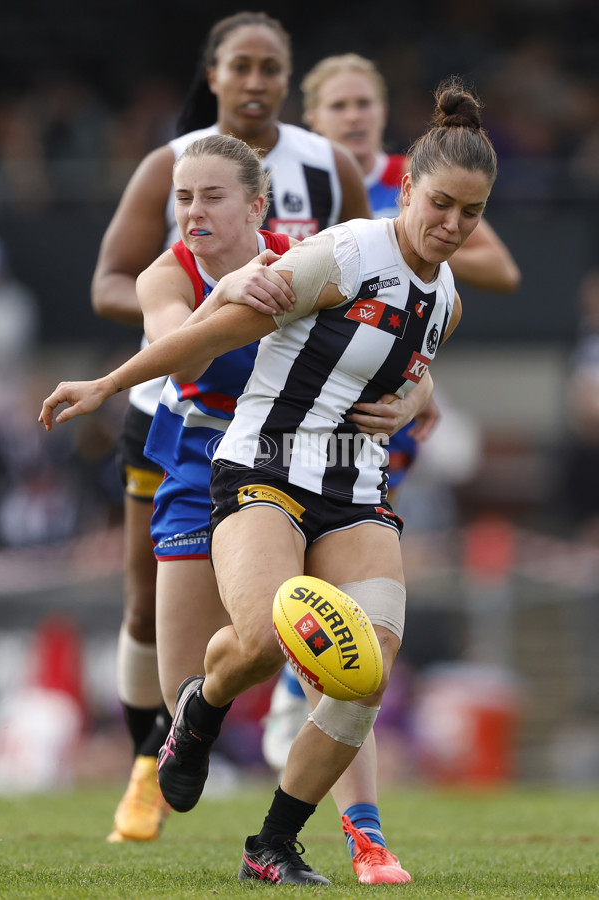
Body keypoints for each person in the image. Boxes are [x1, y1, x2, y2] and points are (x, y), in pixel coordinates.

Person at [41, 75, 498, 884]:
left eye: (472, 212)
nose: (454, 226)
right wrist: (107, 387)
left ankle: (274, 845)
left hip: (356, 492)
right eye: (441, 205)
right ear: (406, 188)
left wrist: (416, 398)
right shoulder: (346, 253)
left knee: (365, 668)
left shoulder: (448, 296)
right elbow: (214, 332)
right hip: (264, 470)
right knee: (259, 643)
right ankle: (198, 714)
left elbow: (407, 366)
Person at [90, 11, 371, 844]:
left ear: (288, 78)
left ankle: (345, 831)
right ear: (212, 75)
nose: (254, 82)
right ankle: (155, 757)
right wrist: (199, 311)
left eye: (269, 68)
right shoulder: (167, 182)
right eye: (238, 67)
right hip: (178, 427)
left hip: (291, 444)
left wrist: (411, 391)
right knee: (149, 621)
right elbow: (128, 291)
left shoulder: (324, 175)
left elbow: (389, 290)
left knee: (336, 644)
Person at [261, 52, 522, 776]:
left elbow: (491, 276)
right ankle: (222, 718)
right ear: (311, 120)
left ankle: (335, 793)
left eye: (364, 104)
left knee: (360, 612)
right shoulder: (287, 190)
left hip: (359, 437)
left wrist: (422, 390)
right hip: (274, 413)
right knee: (254, 618)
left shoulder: (409, 193)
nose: (353, 116)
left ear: (382, 118)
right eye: (338, 106)